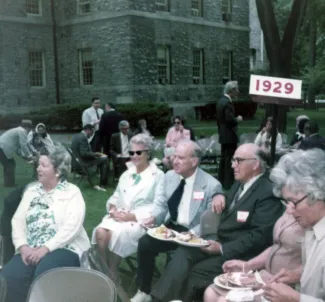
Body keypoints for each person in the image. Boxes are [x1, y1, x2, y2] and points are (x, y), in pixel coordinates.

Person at [141, 143, 283, 302]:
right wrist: (219, 196)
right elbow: (229, 202)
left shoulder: (267, 191)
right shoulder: (241, 183)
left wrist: (222, 248)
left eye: (238, 160)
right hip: (219, 240)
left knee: (197, 271)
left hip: (242, 254)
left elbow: (260, 237)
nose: (232, 165)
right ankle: (159, 298)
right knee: (185, 251)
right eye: (233, 160)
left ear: (255, 164)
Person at [131, 139, 223, 302]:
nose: (175, 161)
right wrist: (154, 217)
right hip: (172, 228)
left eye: (180, 158)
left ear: (194, 161)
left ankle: (162, 297)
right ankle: (144, 290)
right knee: (145, 243)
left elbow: (209, 223)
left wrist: (191, 233)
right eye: (174, 157)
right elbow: (161, 204)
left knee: (182, 254)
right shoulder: (170, 177)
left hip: (194, 232)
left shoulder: (211, 185)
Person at [0, 145, 90, 302]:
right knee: (8, 277)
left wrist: (45, 249)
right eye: (38, 164)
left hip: (64, 247)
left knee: (45, 276)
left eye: (44, 165)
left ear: (58, 170)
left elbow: (72, 226)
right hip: (30, 248)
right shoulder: (32, 191)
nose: (38, 169)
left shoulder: (71, 191)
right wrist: (22, 246)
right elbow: (17, 220)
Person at [92, 134, 166, 280]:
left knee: (118, 233)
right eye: (131, 153)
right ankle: (105, 270)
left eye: (139, 152)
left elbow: (159, 205)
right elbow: (115, 196)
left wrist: (132, 216)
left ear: (148, 153)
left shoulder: (158, 175)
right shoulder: (127, 174)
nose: (134, 156)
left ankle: (111, 272)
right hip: (120, 216)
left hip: (142, 220)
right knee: (100, 232)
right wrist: (113, 210)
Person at [261, 149, 325, 302]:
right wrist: (298, 273)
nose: (289, 211)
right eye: (286, 202)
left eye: (294, 202)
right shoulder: (314, 229)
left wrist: (295, 298)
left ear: (318, 195)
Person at [204, 210, 303, 301]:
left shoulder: (310, 221)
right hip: (265, 275)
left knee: (224, 300)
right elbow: (277, 246)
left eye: (293, 201)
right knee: (211, 292)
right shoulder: (291, 206)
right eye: (287, 201)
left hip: (288, 285)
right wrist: (248, 265)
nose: (289, 206)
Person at [217, 81, 242, 190]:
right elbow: (229, 120)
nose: (238, 92)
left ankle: (221, 180)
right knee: (229, 160)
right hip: (229, 136)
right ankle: (228, 183)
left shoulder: (220, 101)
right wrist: (238, 119)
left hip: (223, 135)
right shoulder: (227, 103)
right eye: (236, 89)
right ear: (231, 90)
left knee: (224, 160)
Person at [71, 124, 108, 189]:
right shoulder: (83, 138)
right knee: (105, 159)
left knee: (101, 158)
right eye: (92, 132)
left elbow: (81, 152)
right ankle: (103, 184)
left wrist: (94, 154)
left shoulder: (76, 136)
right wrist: (95, 154)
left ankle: (98, 178)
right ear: (88, 130)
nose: (92, 135)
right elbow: (84, 153)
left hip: (75, 163)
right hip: (82, 164)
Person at [0, 120, 34, 187]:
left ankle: (9, 183)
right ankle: (9, 184)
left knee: (9, 165)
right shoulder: (22, 131)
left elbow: (18, 149)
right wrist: (29, 156)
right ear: (27, 127)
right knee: (10, 165)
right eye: (30, 128)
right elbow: (23, 144)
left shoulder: (17, 130)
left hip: (2, 148)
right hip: (3, 148)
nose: (30, 130)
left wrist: (25, 157)